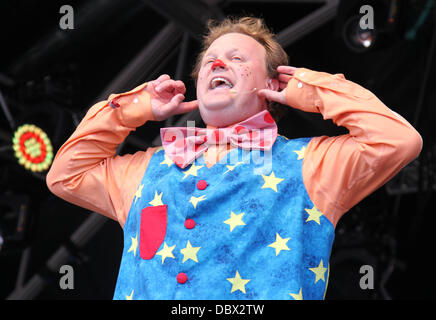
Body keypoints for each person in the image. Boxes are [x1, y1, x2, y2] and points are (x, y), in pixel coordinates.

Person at [46, 17, 422, 300]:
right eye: (209, 60)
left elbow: (396, 140)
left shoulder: (309, 163)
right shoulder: (148, 168)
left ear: (273, 86)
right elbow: (65, 175)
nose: (217, 64)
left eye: (236, 58)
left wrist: (313, 89)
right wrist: (132, 107)